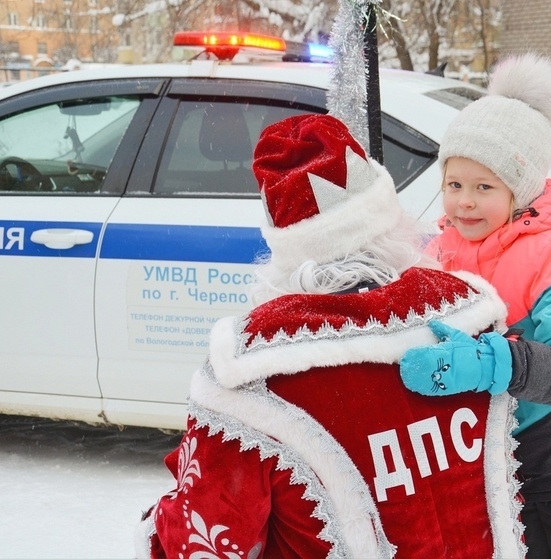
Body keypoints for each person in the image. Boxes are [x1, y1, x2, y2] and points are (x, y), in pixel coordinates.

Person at [134, 113, 528, 558]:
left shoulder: (251, 375)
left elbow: (206, 537)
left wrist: (152, 531)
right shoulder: (469, 316)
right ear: (387, 216)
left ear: (284, 243)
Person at [398, 53, 551, 559]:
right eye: (454, 184)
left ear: (520, 191)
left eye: (484, 188)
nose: (464, 201)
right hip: (505, 465)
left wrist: (494, 361)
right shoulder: (440, 250)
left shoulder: (547, 254)